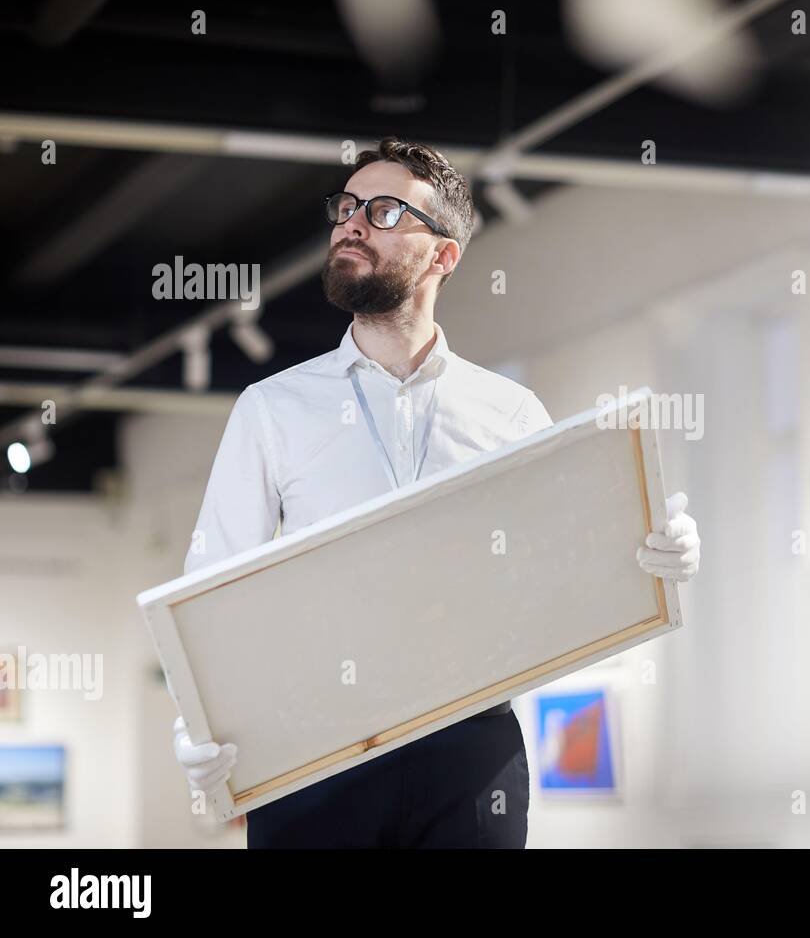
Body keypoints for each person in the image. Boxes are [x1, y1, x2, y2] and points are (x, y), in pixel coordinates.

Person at [171, 137, 700, 847]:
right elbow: (212, 588)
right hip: (316, 758)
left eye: (385, 211)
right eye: (348, 207)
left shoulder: (509, 412)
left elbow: (560, 580)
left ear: (444, 255)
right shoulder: (273, 408)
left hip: (472, 757)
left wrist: (644, 557)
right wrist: (196, 729)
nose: (353, 223)